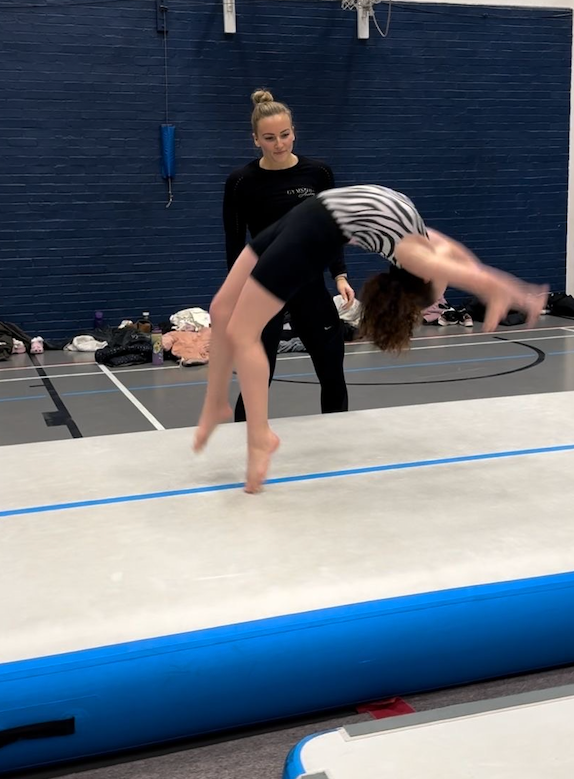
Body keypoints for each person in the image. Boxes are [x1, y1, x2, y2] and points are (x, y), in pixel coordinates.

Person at [194, 184, 548, 494]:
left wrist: (502, 291)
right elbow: (469, 266)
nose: (445, 276)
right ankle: (216, 402)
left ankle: (260, 438)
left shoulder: (417, 253)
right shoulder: (422, 246)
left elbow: (467, 271)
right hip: (308, 217)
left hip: (314, 228)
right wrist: (504, 290)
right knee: (221, 308)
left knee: (243, 332)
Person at [223, 89, 354, 419]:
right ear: (255, 139)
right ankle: (242, 440)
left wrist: (339, 275)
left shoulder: (318, 174)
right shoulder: (240, 182)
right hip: (264, 288)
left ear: (294, 132)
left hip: (309, 286)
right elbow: (235, 242)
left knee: (332, 371)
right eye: (269, 138)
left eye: (284, 135)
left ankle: (338, 435)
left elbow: (332, 227)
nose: (279, 144)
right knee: (257, 377)